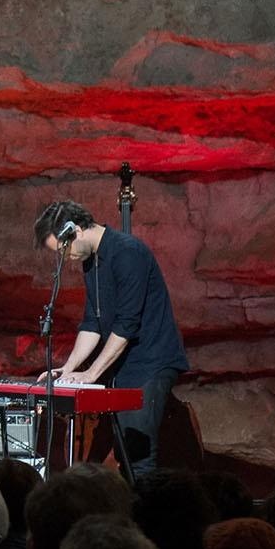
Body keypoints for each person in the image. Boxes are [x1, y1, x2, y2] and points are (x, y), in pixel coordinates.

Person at [32, 200, 188, 479]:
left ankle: (145, 519)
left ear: (76, 230)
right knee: (123, 454)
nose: (65, 257)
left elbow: (127, 324)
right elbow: (92, 321)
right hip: (124, 366)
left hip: (151, 363)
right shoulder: (92, 260)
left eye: (63, 249)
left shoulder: (128, 252)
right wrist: (68, 370)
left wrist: (92, 373)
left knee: (139, 456)